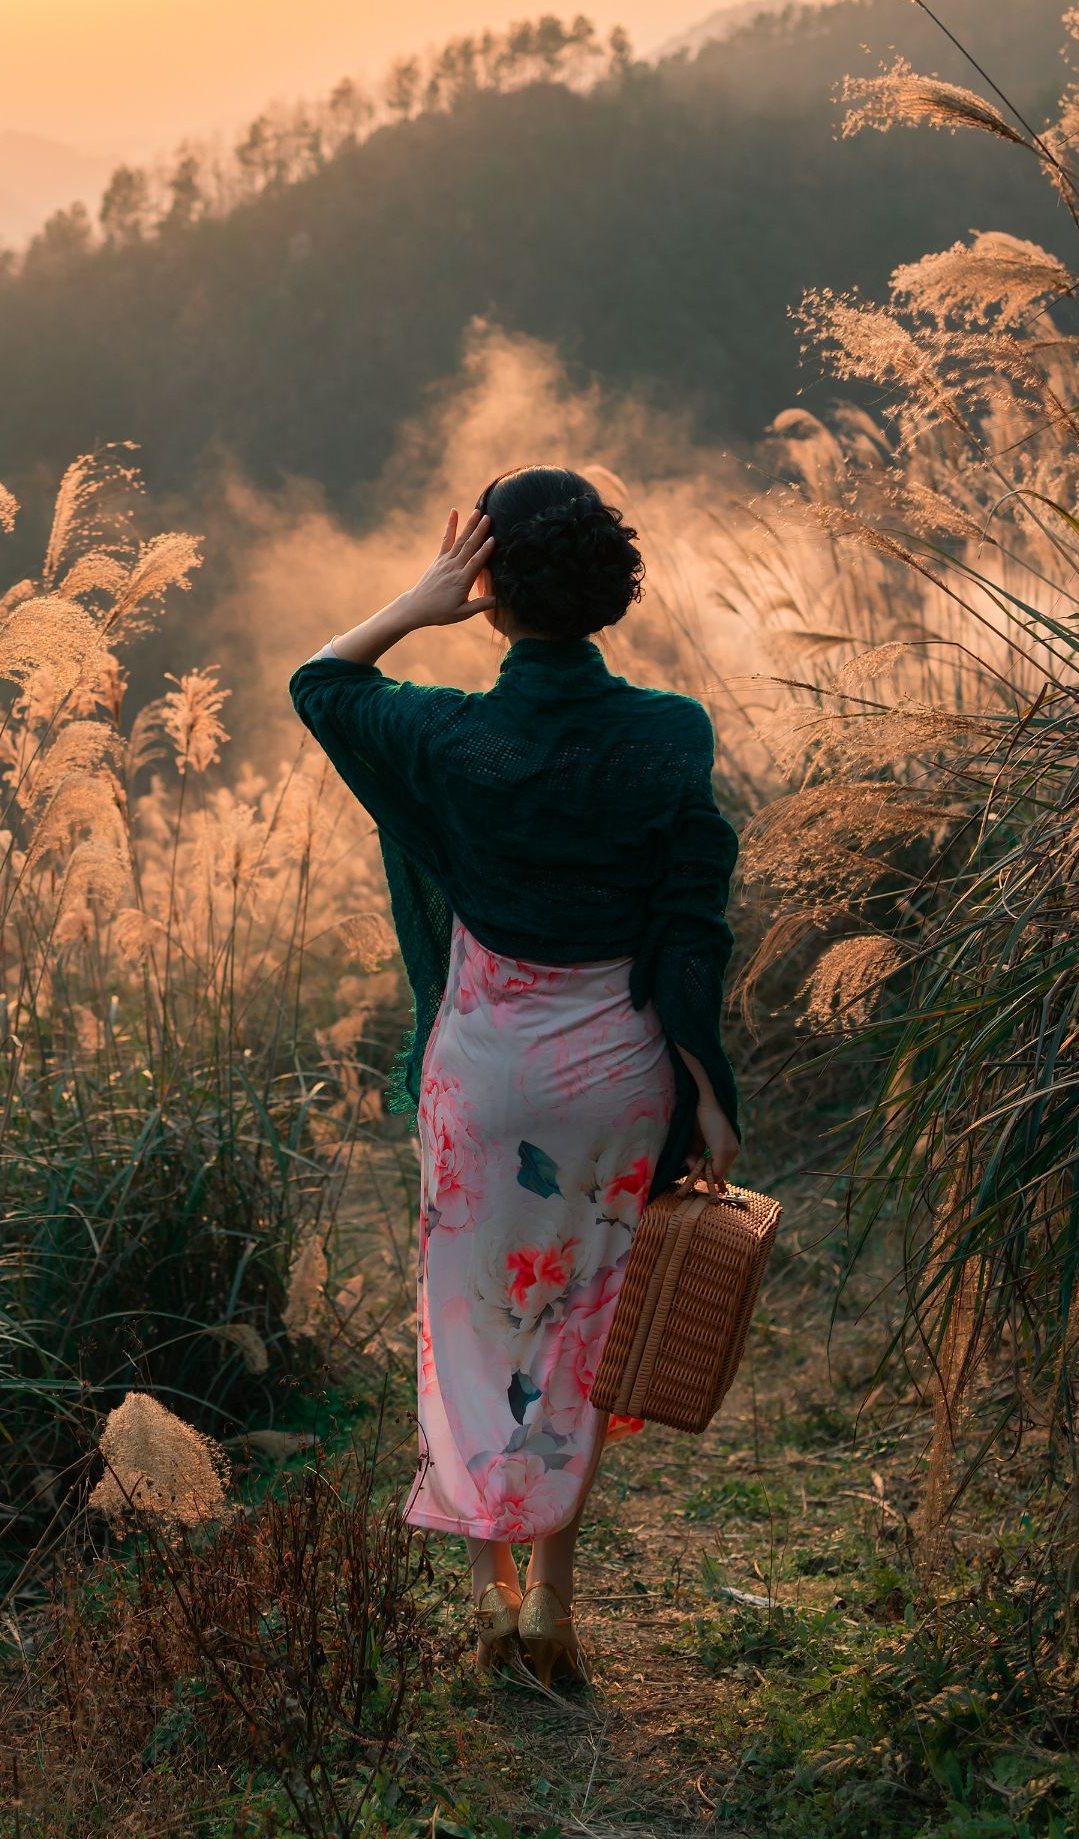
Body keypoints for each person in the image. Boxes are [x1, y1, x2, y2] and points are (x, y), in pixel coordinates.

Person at [290, 466, 738, 1687]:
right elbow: (689, 917)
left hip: (485, 1075)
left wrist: (419, 600)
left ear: (489, 586)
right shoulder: (670, 732)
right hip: (620, 1079)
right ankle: (552, 1605)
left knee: (476, 1327)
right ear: (606, 583)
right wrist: (704, 1084)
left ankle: (487, 1603)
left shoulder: (446, 736)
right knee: (578, 1332)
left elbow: (320, 683)